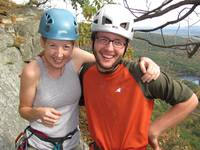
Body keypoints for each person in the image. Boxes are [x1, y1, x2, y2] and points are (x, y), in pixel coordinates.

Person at [18, 8, 160, 150]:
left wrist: (143, 61)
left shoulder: (76, 57)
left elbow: (109, 61)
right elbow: (23, 109)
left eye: (66, 46)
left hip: (72, 143)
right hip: (39, 144)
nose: (59, 54)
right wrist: (38, 113)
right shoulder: (32, 71)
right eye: (52, 45)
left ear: (73, 45)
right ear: (43, 42)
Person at [79, 3, 199, 150]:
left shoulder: (141, 74)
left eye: (118, 42)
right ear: (93, 40)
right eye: (103, 39)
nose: (109, 48)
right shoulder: (86, 73)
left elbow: (189, 100)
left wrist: (154, 131)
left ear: (125, 47)